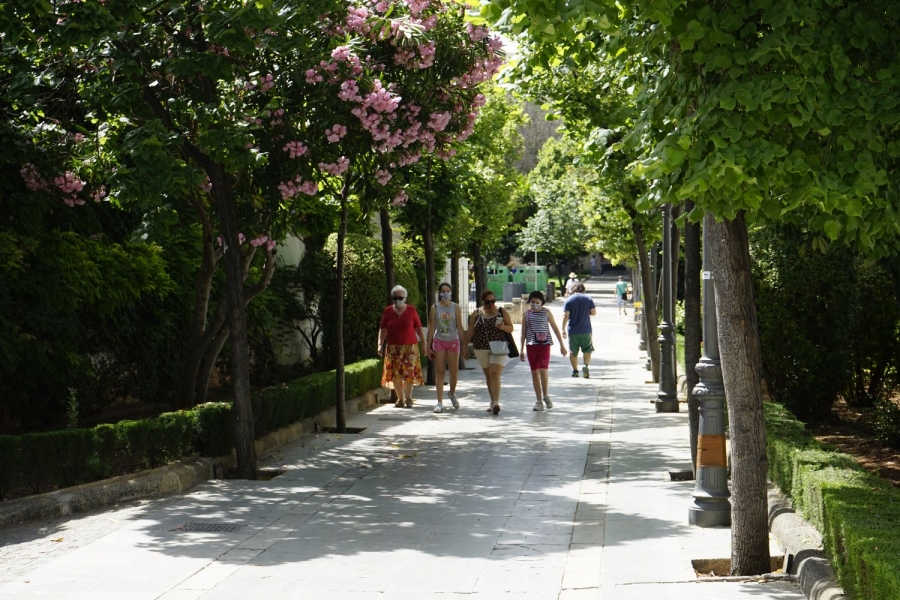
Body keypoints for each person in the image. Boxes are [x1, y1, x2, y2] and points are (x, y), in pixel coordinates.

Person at [463, 290, 514, 415]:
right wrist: (464, 347)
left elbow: (511, 327)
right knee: (488, 375)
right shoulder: (477, 313)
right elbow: (470, 331)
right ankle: (492, 401)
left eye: (493, 301)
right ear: (483, 302)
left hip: (499, 347)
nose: (491, 304)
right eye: (487, 302)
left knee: (494, 373)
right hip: (481, 347)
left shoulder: (501, 311)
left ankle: (496, 402)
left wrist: (503, 327)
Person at [377, 285, 426, 407]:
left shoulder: (411, 310)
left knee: (409, 374)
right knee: (396, 374)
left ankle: (409, 398)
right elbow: (383, 329)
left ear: (405, 297)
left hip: (410, 347)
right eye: (395, 297)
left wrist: (424, 343)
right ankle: (400, 399)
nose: (397, 299)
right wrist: (380, 345)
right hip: (393, 348)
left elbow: (419, 328)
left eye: (400, 297)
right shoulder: (388, 311)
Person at [520, 290, 567, 411]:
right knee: (534, 372)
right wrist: (521, 349)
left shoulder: (547, 312)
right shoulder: (526, 314)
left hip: (544, 345)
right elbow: (523, 333)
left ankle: (546, 395)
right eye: (532, 302)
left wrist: (562, 345)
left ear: (542, 302)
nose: (534, 304)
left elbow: (555, 329)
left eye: (537, 302)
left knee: (543, 370)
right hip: (531, 346)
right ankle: (539, 401)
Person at [426, 283, 465, 413]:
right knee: (440, 372)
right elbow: (431, 327)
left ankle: (452, 393)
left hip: (453, 341)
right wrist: (428, 344)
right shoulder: (435, 308)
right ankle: (439, 402)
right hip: (439, 341)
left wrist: (464, 344)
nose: (445, 293)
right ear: (439, 293)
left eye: (448, 291)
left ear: (451, 293)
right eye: (443, 291)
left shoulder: (456, 307)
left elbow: (459, 326)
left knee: (454, 373)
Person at [562, 283, 596, 378]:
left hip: (573, 330)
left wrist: (563, 329)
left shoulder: (569, 299)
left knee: (573, 351)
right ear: (583, 290)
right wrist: (586, 312)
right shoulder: (588, 299)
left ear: (573, 290)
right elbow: (593, 312)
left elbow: (566, 315)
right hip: (586, 329)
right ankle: (585, 366)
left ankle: (575, 371)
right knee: (587, 349)